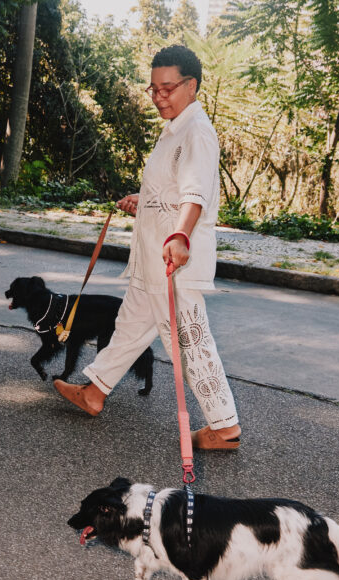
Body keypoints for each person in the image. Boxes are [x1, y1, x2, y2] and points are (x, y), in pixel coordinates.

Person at [53, 45, 241, 450]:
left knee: (190, 343)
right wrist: (144, 200)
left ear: (191, 86)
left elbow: (194, 195)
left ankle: (224, 427)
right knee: (130, 325)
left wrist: (181, 235)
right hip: (153, 257)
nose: (158, 97)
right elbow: (171, 190)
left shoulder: (197, 133)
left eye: (167, 88)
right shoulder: (174, 129)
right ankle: (94, 391)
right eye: (153, 89)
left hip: (174, 257)